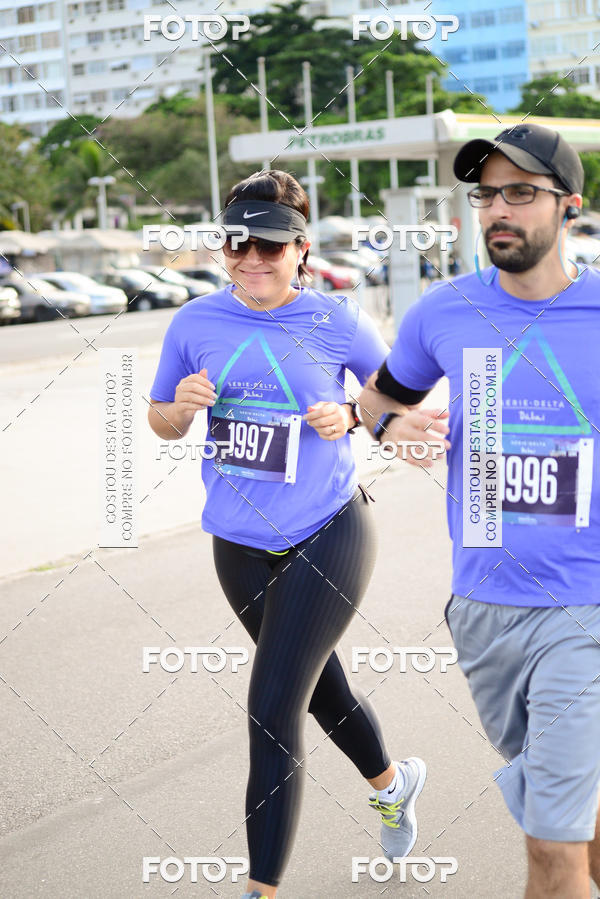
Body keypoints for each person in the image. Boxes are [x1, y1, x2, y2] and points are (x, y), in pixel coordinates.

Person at [147, 170, 426, 898]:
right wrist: (179, 406)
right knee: (320, 691)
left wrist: (357, 416)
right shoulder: (195, 322)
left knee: (272, 708)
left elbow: (397, 397)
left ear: (301, 249)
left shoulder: (338, 322)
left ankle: (259, 889)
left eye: (269, 247)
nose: (251, 259)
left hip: (328, 528)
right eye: (237, 243)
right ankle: (395, 783)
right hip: (236, 543)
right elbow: (159, 419)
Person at [358, 124, 600, 897]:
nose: (499, 209)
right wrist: (393, 424)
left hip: (584, 608)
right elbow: (374, 398)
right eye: (487, 194)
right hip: (484, 610)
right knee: (572, 811)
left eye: (521, 192)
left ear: (570, 207)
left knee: (550, 852)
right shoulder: (445, 312)